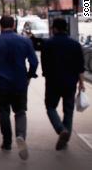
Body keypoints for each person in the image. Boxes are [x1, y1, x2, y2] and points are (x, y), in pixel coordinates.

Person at [0, 15, 38, 160]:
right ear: (13, 25)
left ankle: (6, 142)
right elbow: (34, 62)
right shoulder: (25, 41)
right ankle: (20, 136)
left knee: (3, 111)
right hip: (20, 82)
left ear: (1, 26)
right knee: (20, 111)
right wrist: (29, 75)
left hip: (1, 82)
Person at [41, 18, 86, 150]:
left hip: (53, 83)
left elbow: (44, 64)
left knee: (50, 107)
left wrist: (46, 75)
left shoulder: (48, 44)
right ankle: (65, 138)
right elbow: (80, 67)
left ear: (54, 28)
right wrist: (81, 83)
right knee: (68, 111)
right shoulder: (75, 45)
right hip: (70, 83)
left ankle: (61, 130)